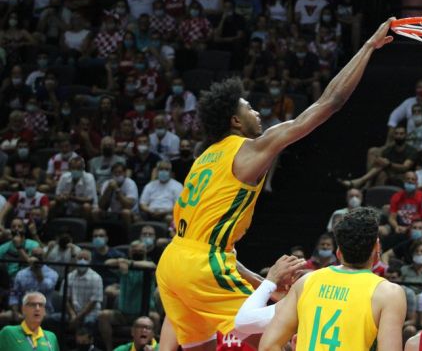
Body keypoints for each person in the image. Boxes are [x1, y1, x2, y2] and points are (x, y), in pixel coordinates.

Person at [156, 19, 395, 350]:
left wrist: (260, 282)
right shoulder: (249, 149)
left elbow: (213, 246)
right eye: (249, 108)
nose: (257, 113)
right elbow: (329, 103)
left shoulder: (204, 159)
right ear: (235, 121)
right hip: (201, 265)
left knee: (205, 347)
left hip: (172, 263)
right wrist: (368, 47)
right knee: (283, 332)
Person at [258, 207, 406, 350]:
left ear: (338, 251)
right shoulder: (389, 294)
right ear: (377, 247)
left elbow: (268, 346)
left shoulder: (306, 282)